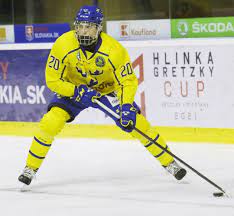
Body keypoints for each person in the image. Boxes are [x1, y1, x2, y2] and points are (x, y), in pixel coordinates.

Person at [18, 5, 187, 186]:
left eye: (88, 26)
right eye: (80, 26)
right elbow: (52, 80)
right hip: (74, 90)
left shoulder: (114, 50)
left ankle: (169, 162)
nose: (83, 31)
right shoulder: (62, 44)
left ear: (99, 28)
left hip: (107, 91)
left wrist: (126, 106)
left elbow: (127, 81)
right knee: (50, 122)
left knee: (138, 124)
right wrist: (75, 91)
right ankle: (30, 168)